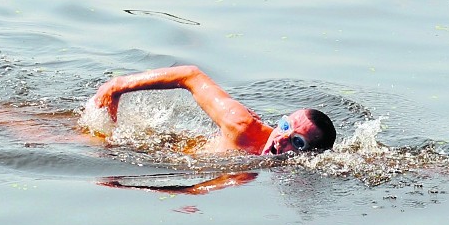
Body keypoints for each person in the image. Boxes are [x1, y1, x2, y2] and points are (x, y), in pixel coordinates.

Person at [93, 65, 336, 155]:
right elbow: (190, 75)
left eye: (297, 142)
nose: (281, 138)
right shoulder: (241, 126)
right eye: (284, 126)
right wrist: (117, 86)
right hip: (141, 148)